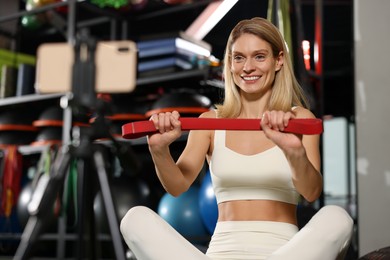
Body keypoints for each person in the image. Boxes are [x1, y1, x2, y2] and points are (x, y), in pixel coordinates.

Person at [120, 17, 353, 260]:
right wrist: (159, 151)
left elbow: (311, 192)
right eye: (239, 57)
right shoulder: (209, 121)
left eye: (259, 56)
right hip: (222, 252)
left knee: (337, 217)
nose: (248, 67)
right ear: (230, 64)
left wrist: (294, 152)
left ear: (278, 60)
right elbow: (177, 187)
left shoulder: (299, 118)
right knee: (134, 219)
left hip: (284, 253)